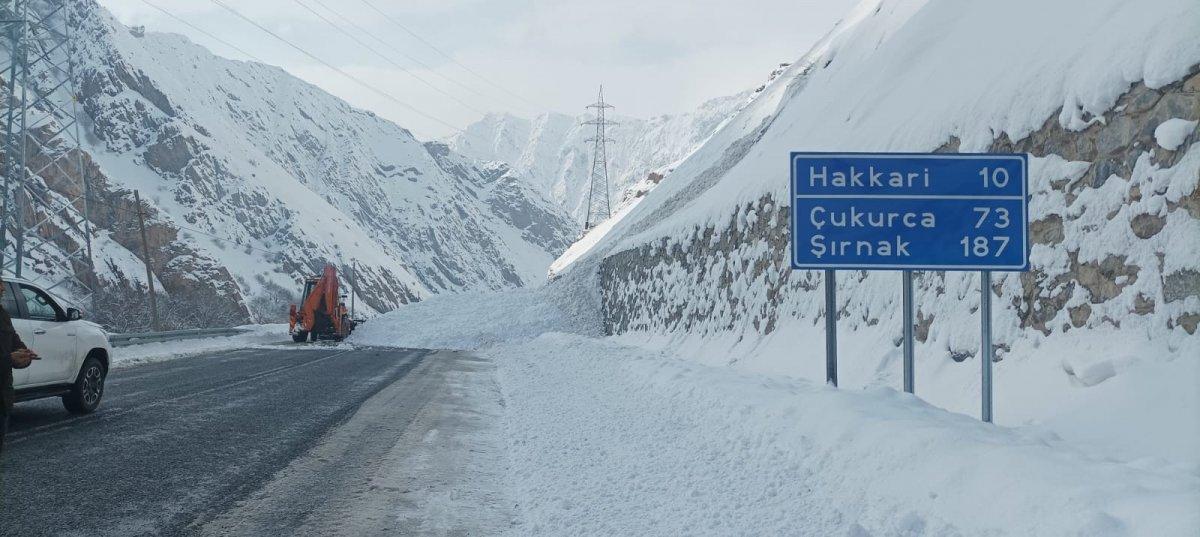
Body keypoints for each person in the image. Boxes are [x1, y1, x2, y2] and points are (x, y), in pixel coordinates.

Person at [0, 280, 37, 456]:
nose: (2, 288)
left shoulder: (3, 315)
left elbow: (15, 345)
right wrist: (8, 359)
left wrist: (25, 356)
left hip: (3, 398)